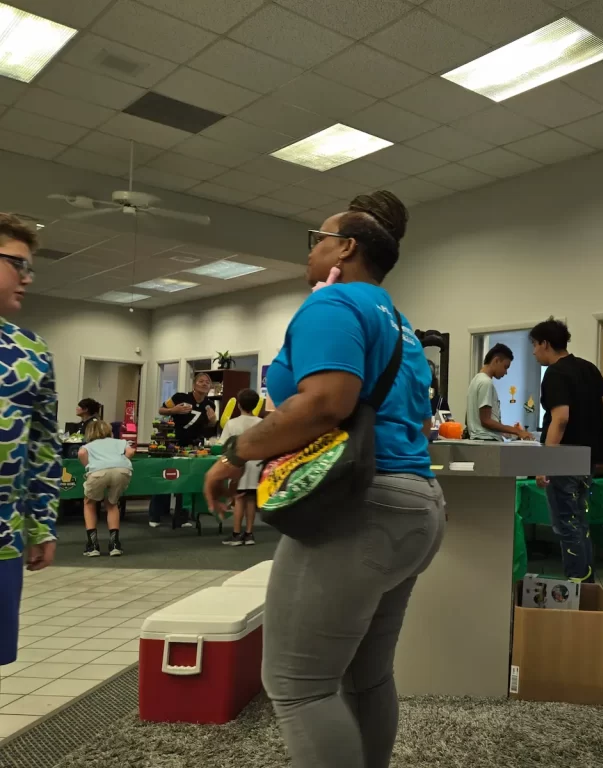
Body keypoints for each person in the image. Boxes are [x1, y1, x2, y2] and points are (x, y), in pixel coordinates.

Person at [203, 191, 445, 768]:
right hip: (415, 506)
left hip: (361, 509)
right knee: (365, 676)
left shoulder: (332, 305)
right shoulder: (399, 322)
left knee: (297, 684)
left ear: (346, 247)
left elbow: (325, 403)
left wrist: (234, 452)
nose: (311, 250)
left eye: (318, 238)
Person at [0, 213, 60, 673]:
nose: (28, 278)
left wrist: (40, 524)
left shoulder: (31, 351)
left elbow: (42, 446)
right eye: (18, 264)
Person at [530, 318, 603, 583]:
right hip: (586, 458)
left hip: (564, 459)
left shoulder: (555, 373)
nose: (533, 352)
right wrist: (600, 445)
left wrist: (545, 463)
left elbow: (561, 418)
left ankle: (577, 585)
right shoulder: (589, 368)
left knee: (566, 524)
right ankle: (586, 585)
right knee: (580, 521)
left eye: (534, 345)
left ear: (545, 343)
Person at [148, 372, 216, 528]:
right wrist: (174, 410)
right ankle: (155, 515)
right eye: (201, 381)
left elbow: (210, 426)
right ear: (194, 384)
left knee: (186, 481)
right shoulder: (180, 397)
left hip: (193, 447)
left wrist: (213, 421)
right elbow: (161, 410)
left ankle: (182, 517)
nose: (204, 384)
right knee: (165, 478)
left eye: (207, 382)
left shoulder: (210, 404)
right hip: (171, 444)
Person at [78, 420, 134, 557]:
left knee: (89, 503)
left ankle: (93, 546)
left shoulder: (89, 445)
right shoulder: (120, 442)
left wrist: (89, 465)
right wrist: (121, 460)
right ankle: (114, 545)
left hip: (98, 472)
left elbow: (81, 453)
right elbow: (131, 451)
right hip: (122, 470)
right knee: (112, 504)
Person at [217, 388, 262, 547]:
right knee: (250, 499)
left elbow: (223, 445)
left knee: (238, 500)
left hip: (238, 465)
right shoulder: (261, 423)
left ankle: (236, 534)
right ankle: (249, 534)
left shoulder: (232, 423)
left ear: (239, 405)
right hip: (256, 464)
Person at [466, 343, 531, 441]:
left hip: (478, 439)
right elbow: (486, 421)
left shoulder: (475, 380)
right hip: (487, 440)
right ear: (496, 360)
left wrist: (505, 432)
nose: (506, 372)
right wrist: (517, 431)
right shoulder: (486, 382)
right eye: (505, 367)